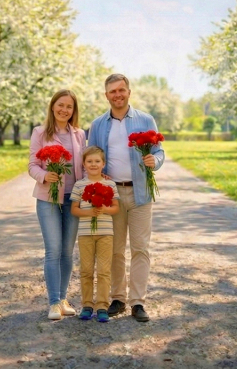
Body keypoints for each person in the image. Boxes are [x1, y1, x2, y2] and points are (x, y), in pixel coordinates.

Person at [87, 74, 164, 322]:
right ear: (106, 95)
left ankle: (138, 302)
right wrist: (97, 175)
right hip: (112, 196)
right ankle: (118, 298)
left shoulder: (145, 120)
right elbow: (91, 157)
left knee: (140, 248)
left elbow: (159, 151)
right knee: (115, 250)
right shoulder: (98, 125)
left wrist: (155, 161)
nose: (117, 95)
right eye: (112, 91)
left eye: (121, 90)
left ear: (129, 92)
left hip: (140, 193)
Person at [28, 89, 86, 320]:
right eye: (60, 105)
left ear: (74, 110)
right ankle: (53, 303)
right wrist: (44, 175)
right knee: (53, 250)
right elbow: (32, 165)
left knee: (67, 252)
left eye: (69, 106)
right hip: (48, 199)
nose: (64, 110)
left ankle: (63, 299)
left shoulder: (79, 134)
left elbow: (83, 165)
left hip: (73, 198)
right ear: (53, 106)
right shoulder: (40, 132)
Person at [70, 146, 120, 323]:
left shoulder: (110, 184)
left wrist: (104, 209)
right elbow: (74, 209)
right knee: (86, 270)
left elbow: (116, 208)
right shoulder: (79, 185)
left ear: (103, 164)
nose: (93, 164)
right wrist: (89, 213)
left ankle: (102, 306)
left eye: (97, 161)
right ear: (83, 164)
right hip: (85, 234)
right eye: (89, 161)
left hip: (106, 233)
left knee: (104, 271)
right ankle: (87, 305)